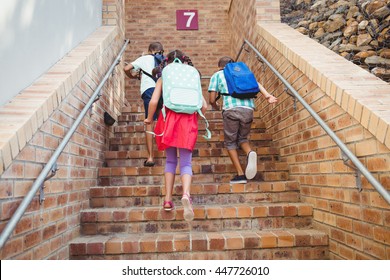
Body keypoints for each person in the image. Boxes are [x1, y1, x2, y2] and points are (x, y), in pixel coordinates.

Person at [144, 50, 207, 221]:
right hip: (188, 121)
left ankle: (167, 200)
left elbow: (154, 101)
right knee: (186, 162)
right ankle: (186, 194)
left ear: (167, 62)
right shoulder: (191, 76)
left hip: (168, 119)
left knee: (171, 161)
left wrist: (149, 119)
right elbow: (204, 106)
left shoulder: (164, 76)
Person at [208, 56, 278, 184]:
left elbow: (212, 99)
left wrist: (216, 106)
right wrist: (267, 96)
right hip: (248, 110)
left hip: (231, 110)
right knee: (242, 139)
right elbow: (256, 84)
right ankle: (249, 152)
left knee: (230, 143)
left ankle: (240, 175)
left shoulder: (217, 75)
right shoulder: (241, 72)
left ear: (219, 66)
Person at [124, 42, 165, 167]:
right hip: (163, 90)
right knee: (163, 119)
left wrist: (131, 76)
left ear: (150, 50)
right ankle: (168, 152)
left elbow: (126, 68)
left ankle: (151, 157)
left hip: (149, 91)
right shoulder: (165, 61)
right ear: (161, 51)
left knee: (149, 122)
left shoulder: (144, 58)